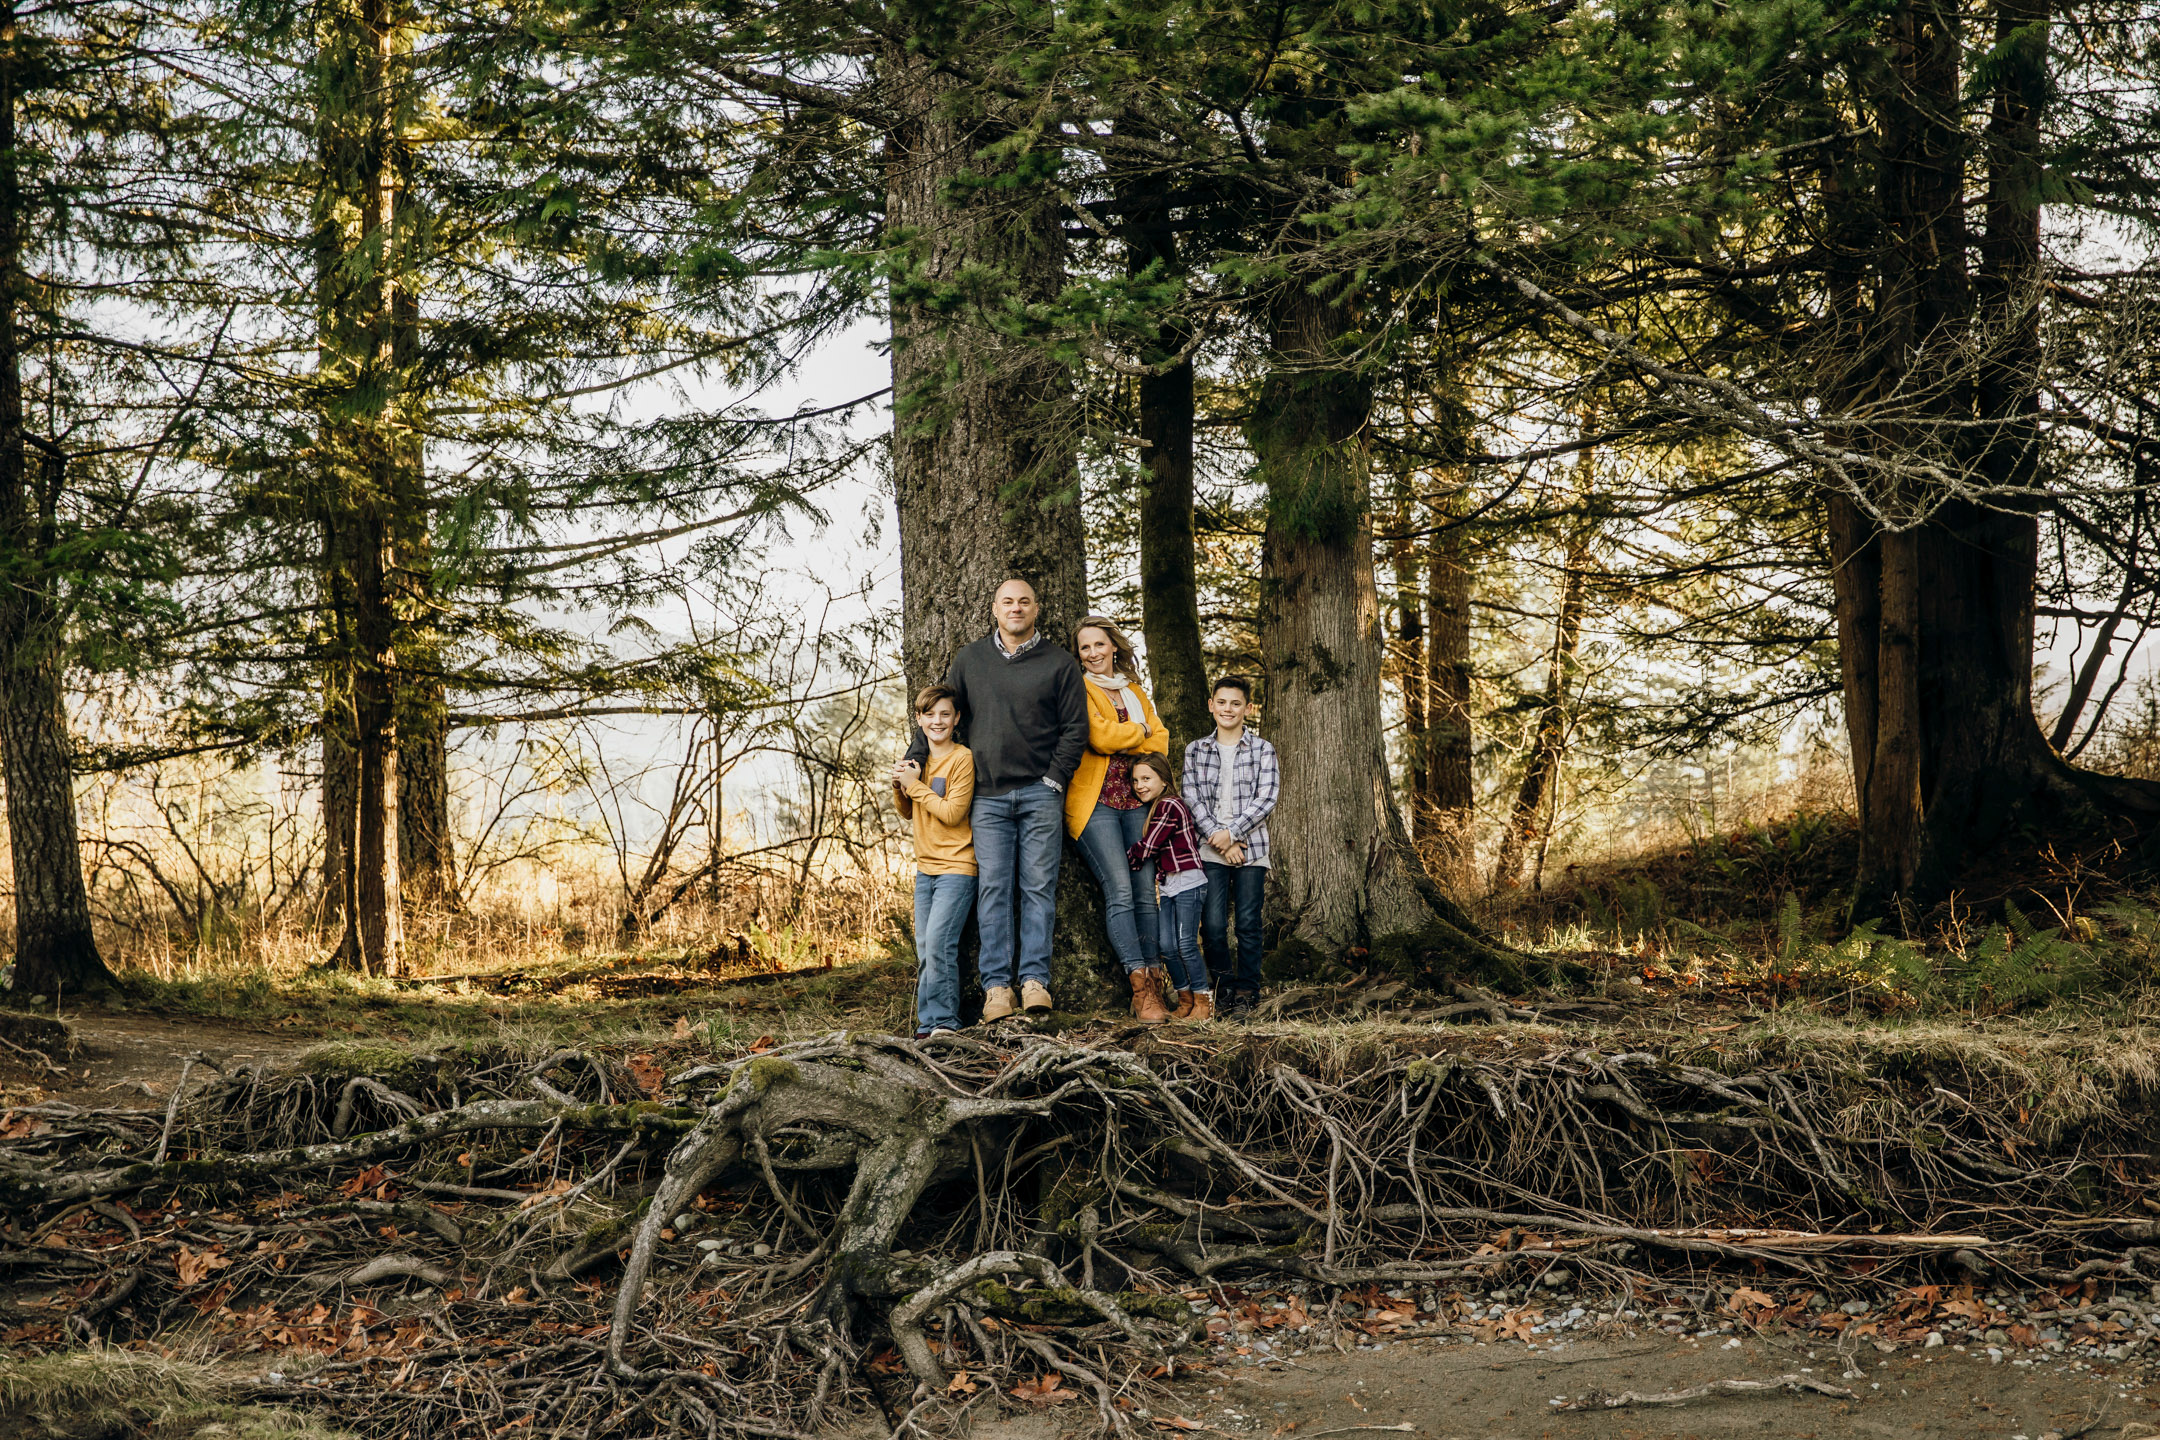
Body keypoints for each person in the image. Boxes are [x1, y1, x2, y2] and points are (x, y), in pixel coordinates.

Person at [907, 578, 1088, 1020]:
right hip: (986, 797)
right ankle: (996, 989)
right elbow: (942, 714)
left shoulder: (1060, 664)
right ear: (994, 608)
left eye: (1024, 601)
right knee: (993, 890)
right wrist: (915, 759)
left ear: (1036, 609)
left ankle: (1034, 981)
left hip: (1040, 793)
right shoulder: (970, 659)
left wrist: (1053, 780)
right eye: (1008, 601)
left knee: (1039, 888)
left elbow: (1075, 729)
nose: (1016, 608)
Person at [1064, 616, 1173, 1024]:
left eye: (1098, 645)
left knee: (1147, 894)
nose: (1092, 654)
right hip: (1097, 806)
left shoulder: (1135, 692)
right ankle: (1139, 987)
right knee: (1121, 893)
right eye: (1085, 648)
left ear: (1114, 647)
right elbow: (1100, 737)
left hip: (1138, 804)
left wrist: (1137, 729)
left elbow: (1160, 741)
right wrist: (1139, 731)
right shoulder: (1080, 688)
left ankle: (1158, 982)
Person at [1182, 675, 1279, 1018]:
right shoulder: (1196, 749)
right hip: (1210, 850)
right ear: (1211, 705)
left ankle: (1248, 991)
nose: (1228, 709)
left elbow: (1267, 797)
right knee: (1211, 924)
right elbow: (1191, 798)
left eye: (1236, 703)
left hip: (1252, 848)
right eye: (1221, 702)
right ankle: (1222, 990)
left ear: (1248, 709)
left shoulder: (1262, 748)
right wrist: (1220, 840)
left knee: (1249, 922)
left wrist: (1233, 833)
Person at [891, 685, 975, 1040]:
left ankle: (943, 1024)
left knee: (939, 944)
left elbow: (953, 813)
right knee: (926, 949)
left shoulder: (961, 758)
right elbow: (909, 813)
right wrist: (900, 786)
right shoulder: (918, 760)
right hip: (925, 869)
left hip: (957, 867)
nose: (937, 721)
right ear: (919, 719)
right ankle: (929, 1025)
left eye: (945, 714)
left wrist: (914, 785)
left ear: (956, 719)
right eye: (930, 714)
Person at [1126, 753, 1211, 1021]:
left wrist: (1128, 857)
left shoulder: (1170, 805)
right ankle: (1185, 999)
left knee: (1186, 944)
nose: (1139, 785)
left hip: (1188, 881)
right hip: (1169, 885)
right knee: (1167, 946)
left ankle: (1203, 1001)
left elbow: (1150, 845)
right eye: (1135, 780)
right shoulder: (1156, 808)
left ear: (1164, 780)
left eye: (1146, 778)